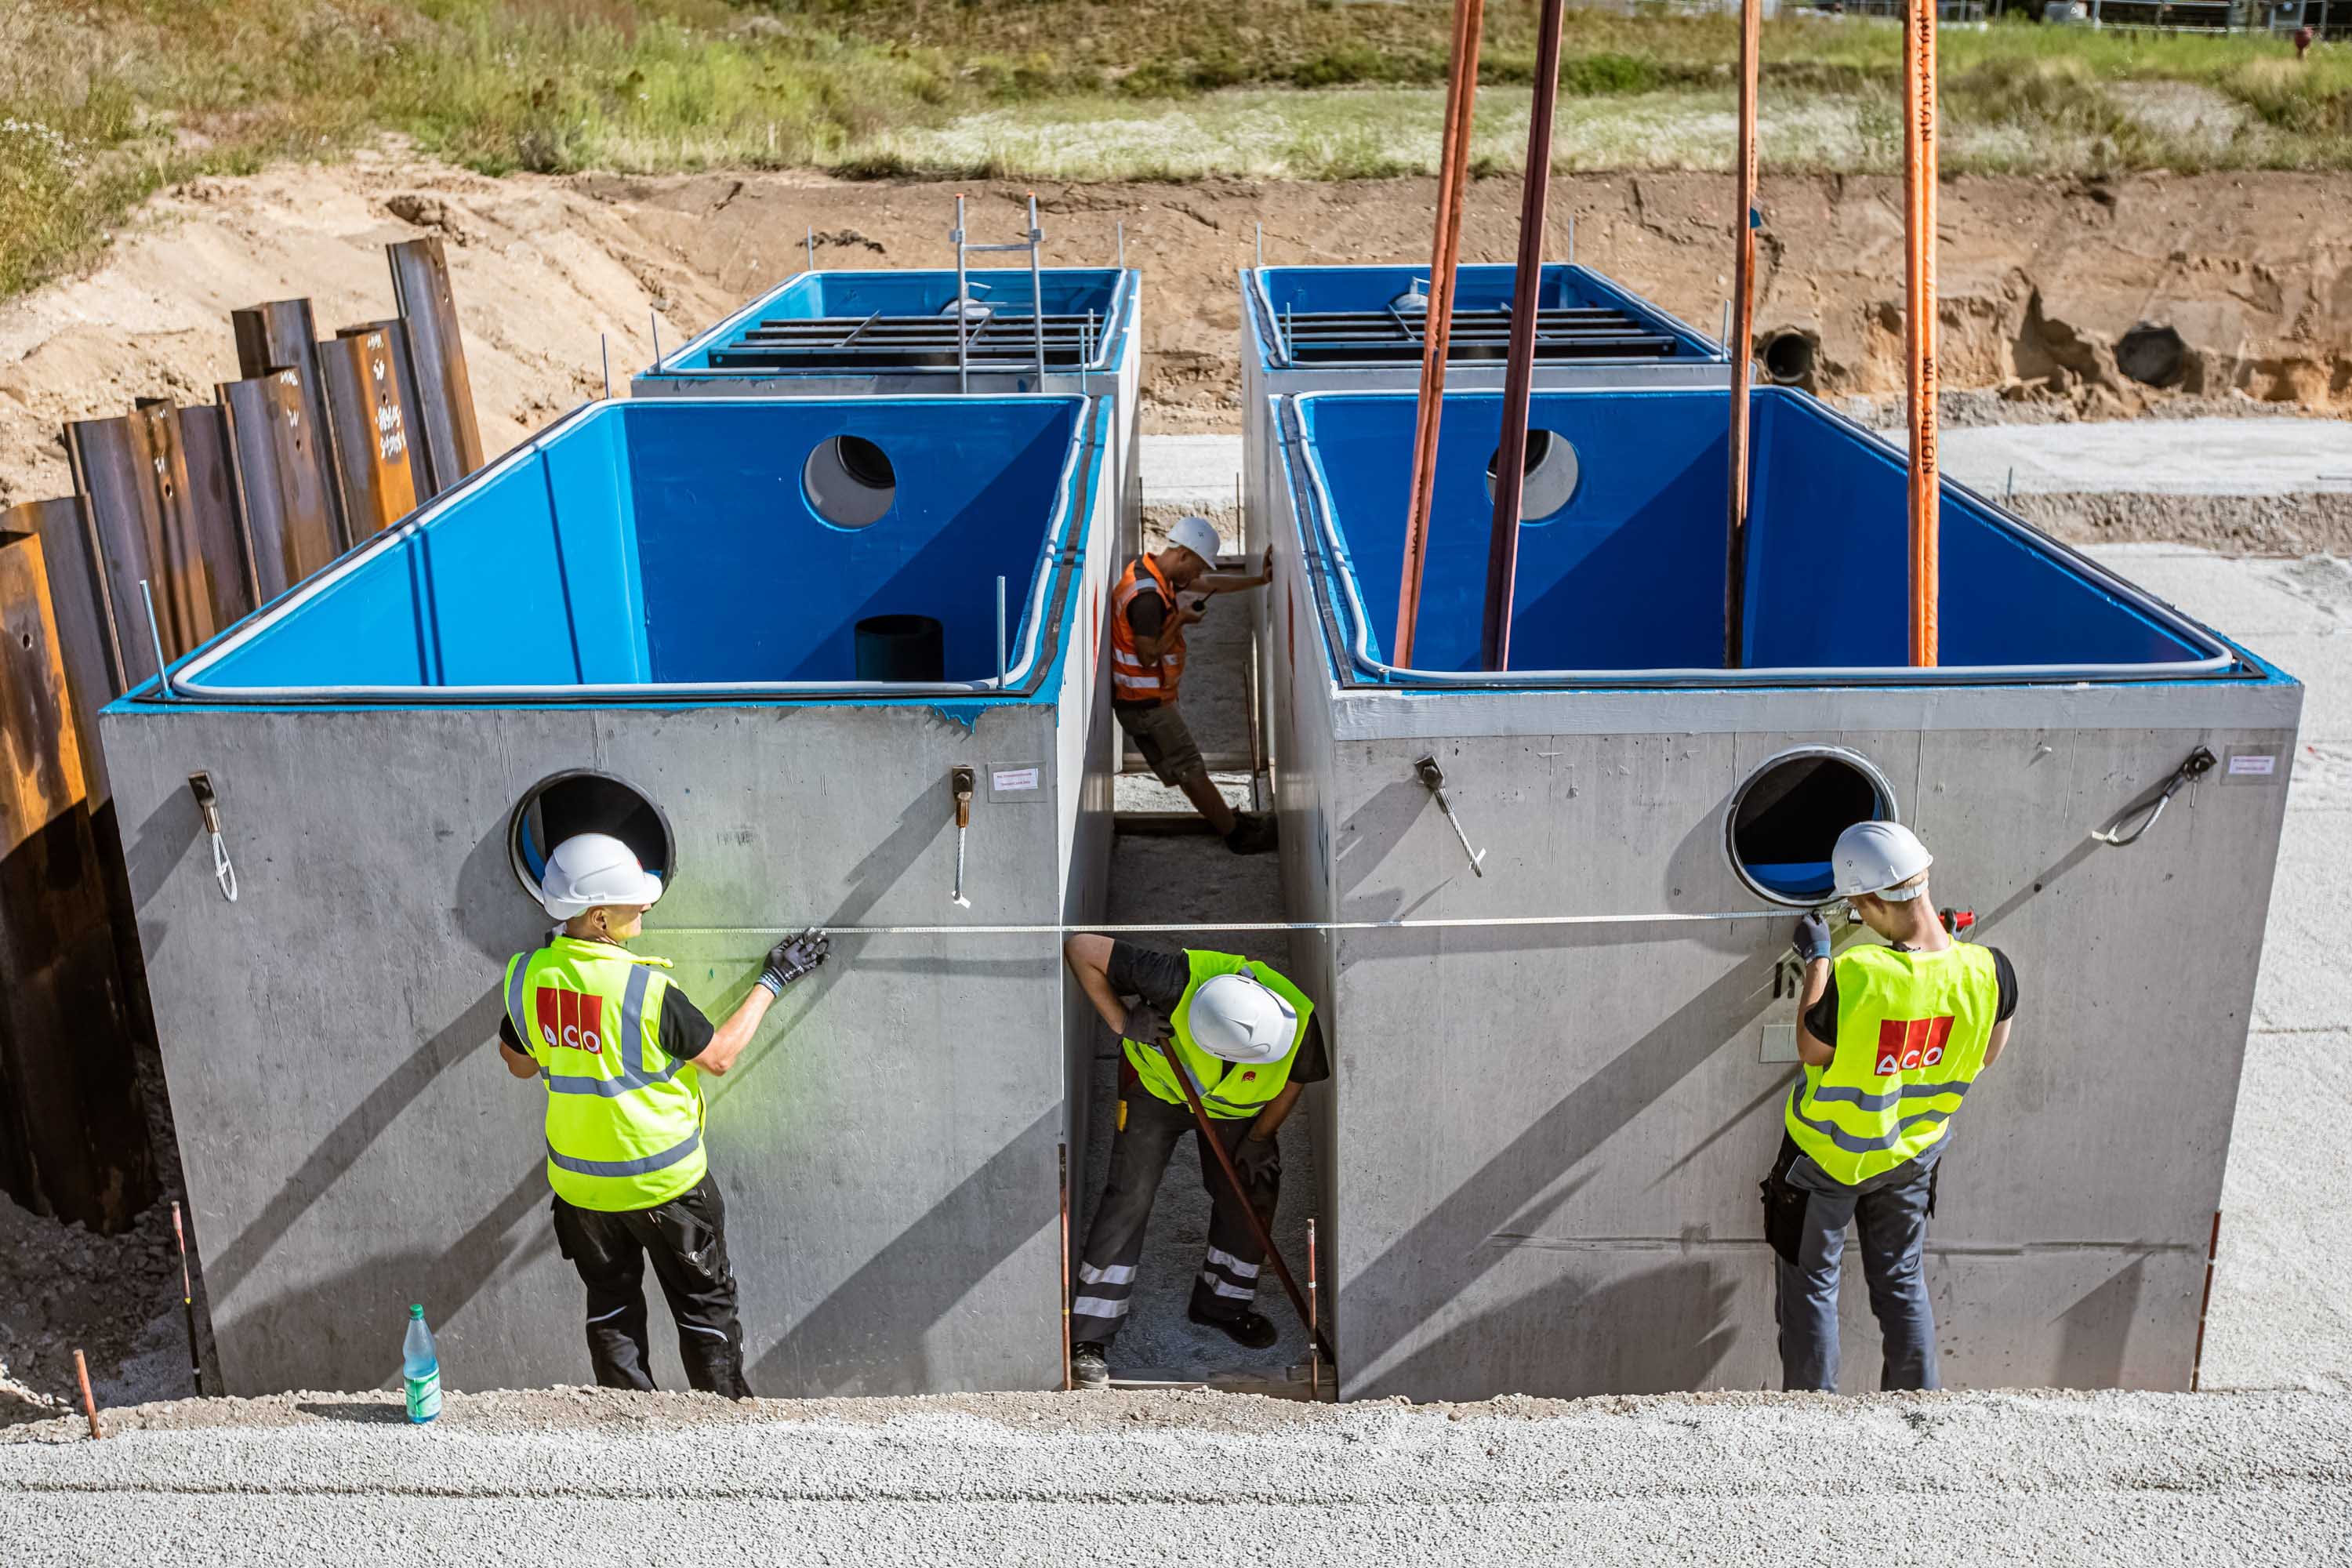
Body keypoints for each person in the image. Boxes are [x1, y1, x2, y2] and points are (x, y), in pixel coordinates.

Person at [495, 833, 830, 1398]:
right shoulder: (643, 989)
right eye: (633, 899)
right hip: (665, 1187)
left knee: (611, 1310)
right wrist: (773, 981)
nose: (647, 905)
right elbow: (719, 1057)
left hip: (583, 1194)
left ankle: (630, 1432)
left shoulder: (529, 977)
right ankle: (720, 1432)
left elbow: (519, 1064)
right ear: (600, 917)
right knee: (704, 1311)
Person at [1762, 821, 2019, 1393]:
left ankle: (1812, 1420)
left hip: (1827, 1159)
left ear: (1867, 902)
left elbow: (1811, 1046)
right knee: (1902, 1283)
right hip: (1913, 1154)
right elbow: (1985, 1055)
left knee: (1812, 1289)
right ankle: (1918, 1409)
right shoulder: (1991, 970)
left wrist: (1818, 959)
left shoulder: (1858, 975)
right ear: (1921, 882)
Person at [1062, 933, 1328, 1389]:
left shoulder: (1296, 1019)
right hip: (1157, 1089)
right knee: (1129, 1196)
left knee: (1253, 1188)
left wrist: (1262, 1137)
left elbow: (1294, 1081)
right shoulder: (1176, 979)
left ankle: (1222, 1303)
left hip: (1238, 1112)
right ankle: (1091, 1335)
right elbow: (1082, 948)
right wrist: (1123, 1022)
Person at [1112, 514, 1278, 854]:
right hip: (1146, 704)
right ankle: (1237, 836)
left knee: (1186, 769)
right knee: (1191, 768)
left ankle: (1228, 820)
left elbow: (1212, 586)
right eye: (1198, 567)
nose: (1198, 575)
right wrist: (1182, 621)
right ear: (1184, 554)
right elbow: (1147, 656)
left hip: (1146, 699)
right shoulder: (1147, 598)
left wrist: (1260, 580)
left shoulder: (1151, 574)